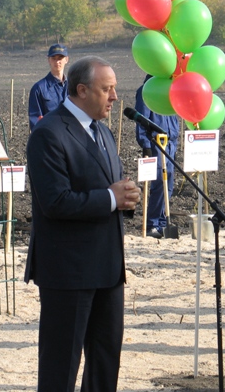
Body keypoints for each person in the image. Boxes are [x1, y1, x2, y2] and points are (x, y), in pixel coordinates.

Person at [24, 56, 141, 391]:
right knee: (61, 366)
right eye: (107, 89)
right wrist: (111, 198)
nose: (115, 97)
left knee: (105, 362)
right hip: (68, 272)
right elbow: (55, 202)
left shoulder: (103, 133)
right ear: (81, 90)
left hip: (107, 268)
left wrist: (127, 198)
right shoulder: (49, 133)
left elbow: (112, 187)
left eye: (114, 89)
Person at [135, 74, 179, 238]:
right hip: (156, 142)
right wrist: (145, 144)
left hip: (170, 141)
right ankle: (152, 223)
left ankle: (162, 221)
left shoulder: (169, 89)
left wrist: (175, 135)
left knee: (169, 184)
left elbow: (173, 114)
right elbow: (141, 118)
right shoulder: (146, 90)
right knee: (159, 182)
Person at [28, 43, 69, 131]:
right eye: (53, 58)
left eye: (60, 58)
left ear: (66, 59)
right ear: (49, 60)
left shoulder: (74, 87)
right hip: (50, 139)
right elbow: (35, 122)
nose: (57, 61)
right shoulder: (38, 89)